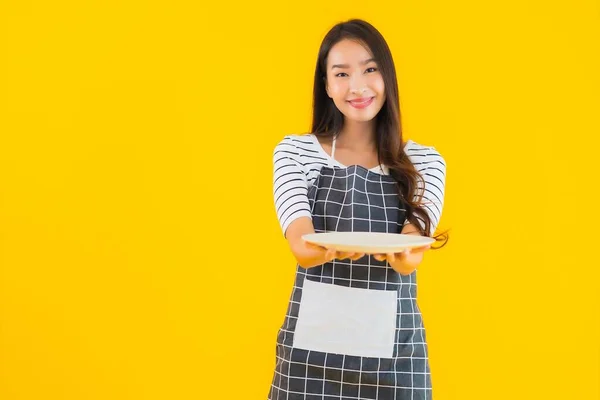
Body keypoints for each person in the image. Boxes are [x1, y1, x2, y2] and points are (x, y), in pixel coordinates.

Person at [269, 18, 447, 400]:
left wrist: (400, 253)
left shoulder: (425, 162)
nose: (358, 86)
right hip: (309, 360)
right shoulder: (294, 152)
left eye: (370, 69)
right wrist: (324, 247)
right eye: (341, 73)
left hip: (395, 360)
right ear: (327, 85)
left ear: (387, 77)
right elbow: (300, 243)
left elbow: (409, 257)